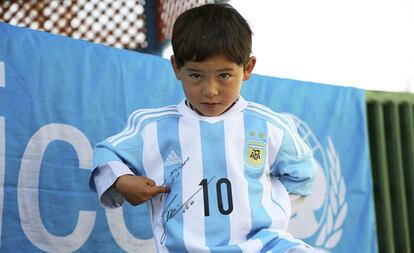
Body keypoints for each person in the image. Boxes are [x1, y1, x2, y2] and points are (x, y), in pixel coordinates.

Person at [89, 3, 316, 253]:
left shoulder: (270, 127)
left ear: (248, 68)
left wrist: (263, 206)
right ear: (176, 67)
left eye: (224, 76)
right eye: (196, 75)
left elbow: (301, 174)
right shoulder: (151, 127)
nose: (210, 90)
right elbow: (106, 153)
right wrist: (122, 181)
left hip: (265, 247)